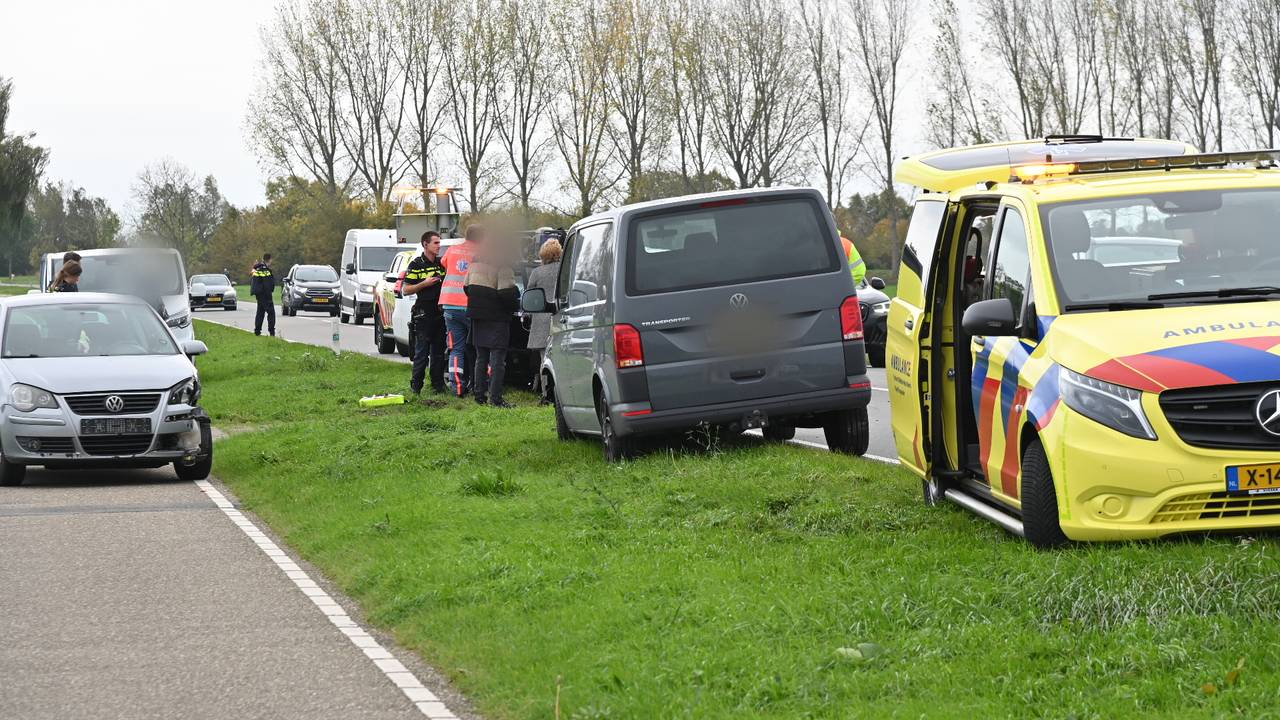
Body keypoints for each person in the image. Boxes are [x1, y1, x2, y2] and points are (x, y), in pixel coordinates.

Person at [464, 237, 520, 408]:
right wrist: (516, 304)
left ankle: (479, 394)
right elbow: (506, 293)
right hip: (497, 317)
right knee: (497, 359)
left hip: (478, 315)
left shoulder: (475, 262)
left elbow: (466, 287)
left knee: (481, 357)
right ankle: (495, 398)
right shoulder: (504, 264)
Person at [402, 231, 448, 394]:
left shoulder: (441, 264)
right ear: (425, 244)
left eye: (439, 243)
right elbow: (406, 289)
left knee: (438, 352)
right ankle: (416, 387)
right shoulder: (416, 264)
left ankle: (438, 386)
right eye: (435, 243)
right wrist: (424, 283)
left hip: (440, 313)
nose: (438, 246)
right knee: (421, 352)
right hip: (423, 313)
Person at [440, 224, 482, 397]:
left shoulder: (452, 250)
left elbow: (444, 264)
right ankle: (479, 385)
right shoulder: (480, 253)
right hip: (470, 305)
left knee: (456, 348)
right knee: (479, 347)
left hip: (449, 304)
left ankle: (456, 387)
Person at [524, 238, 562, 400]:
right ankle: (562, 392)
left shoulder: (537, 273)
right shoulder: (565, 269)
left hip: (540, 320)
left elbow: (529, 296)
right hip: (560, 316)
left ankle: (546, 394)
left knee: (544, 358)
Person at [250, 253, 276, 337]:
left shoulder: (257, 268)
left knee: (260, 312)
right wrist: (269, 293)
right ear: (270, 259)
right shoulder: (265, 270)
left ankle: (257, 331)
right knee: (271, 313)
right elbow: (267, 284)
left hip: (259, 294)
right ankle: (272, 332)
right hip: (265, 294)